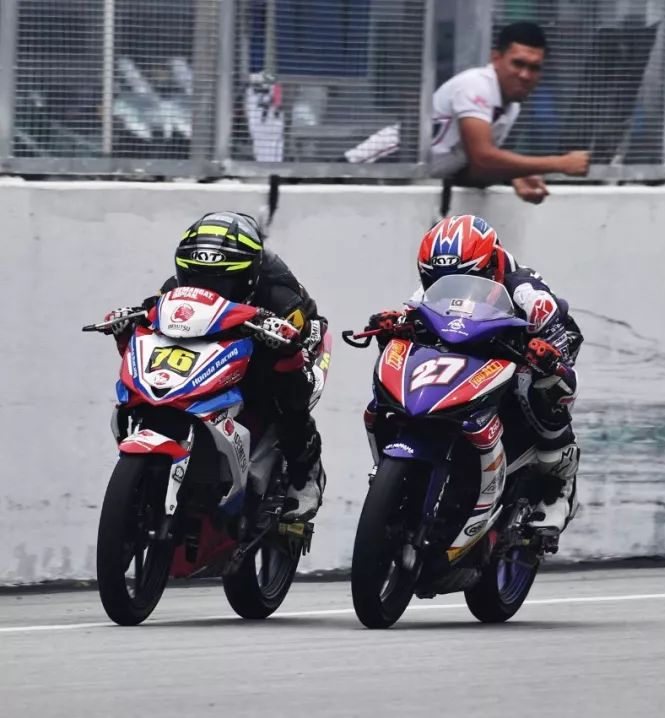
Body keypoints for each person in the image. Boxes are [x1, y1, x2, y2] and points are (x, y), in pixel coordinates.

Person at [101, 211, 330, 520]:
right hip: (209, 340)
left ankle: (305, 472)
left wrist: (282, 337)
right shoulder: (175, 286)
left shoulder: (281, 296)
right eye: (197, 278)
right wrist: (129, 319)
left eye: (220, 282)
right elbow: (153, 310)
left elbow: (300, 336)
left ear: (248, 276)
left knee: (282, 386)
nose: (206, 288)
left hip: (296, 337)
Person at [366, 214, 581, 533]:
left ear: (490, 265)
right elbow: (413, 321)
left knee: (538, 383)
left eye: (463, 278)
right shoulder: (431, 285)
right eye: (436, 280)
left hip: (536, 340)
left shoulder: (530, 296)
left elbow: (560, 354)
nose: (449, 286)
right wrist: (393, 327)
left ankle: (560, 482)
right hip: (464, 344)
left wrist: (547, 356)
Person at [429, 22, 590, 205]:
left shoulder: (511, 106)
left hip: (427, 187)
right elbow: (482, 158)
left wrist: (513, 176)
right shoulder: (476, 85)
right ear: (496, 59)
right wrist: (560, 163)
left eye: (534, 68)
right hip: (404, 175)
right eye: (518, 64)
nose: (525, 75)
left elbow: (476, 172)